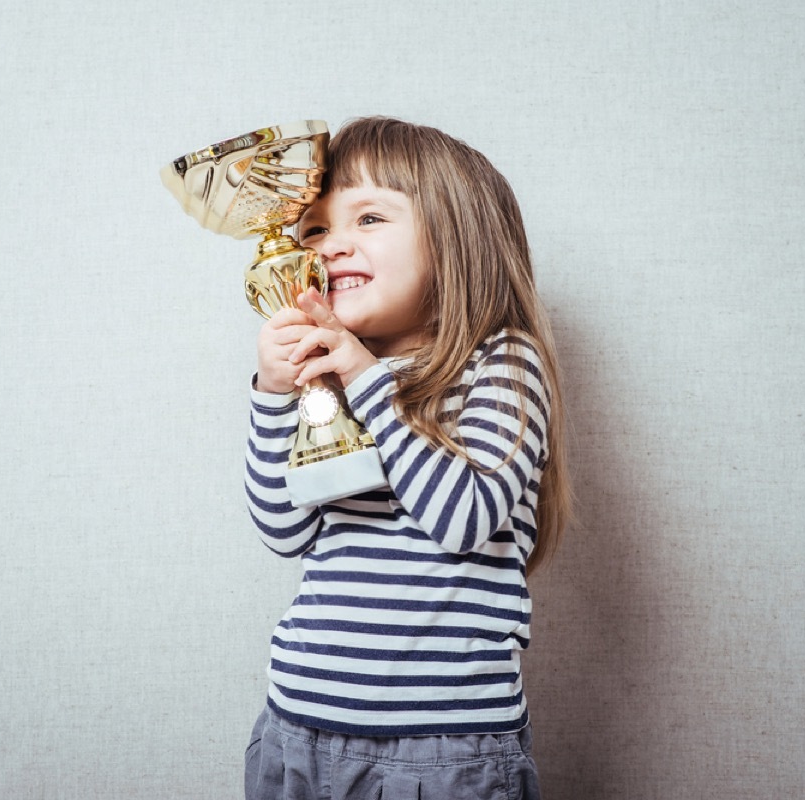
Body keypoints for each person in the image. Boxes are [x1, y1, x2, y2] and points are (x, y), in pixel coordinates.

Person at [243, 116, 570, 800]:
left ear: (457, 239)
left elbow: (465, 517)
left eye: (369, 217)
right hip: (297, 725)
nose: (333, 246)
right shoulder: (329, 378)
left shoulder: (503, 364)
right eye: (315, 230)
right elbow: (285, 531)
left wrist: (367, 380)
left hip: (443, 750)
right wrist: (276, 394)